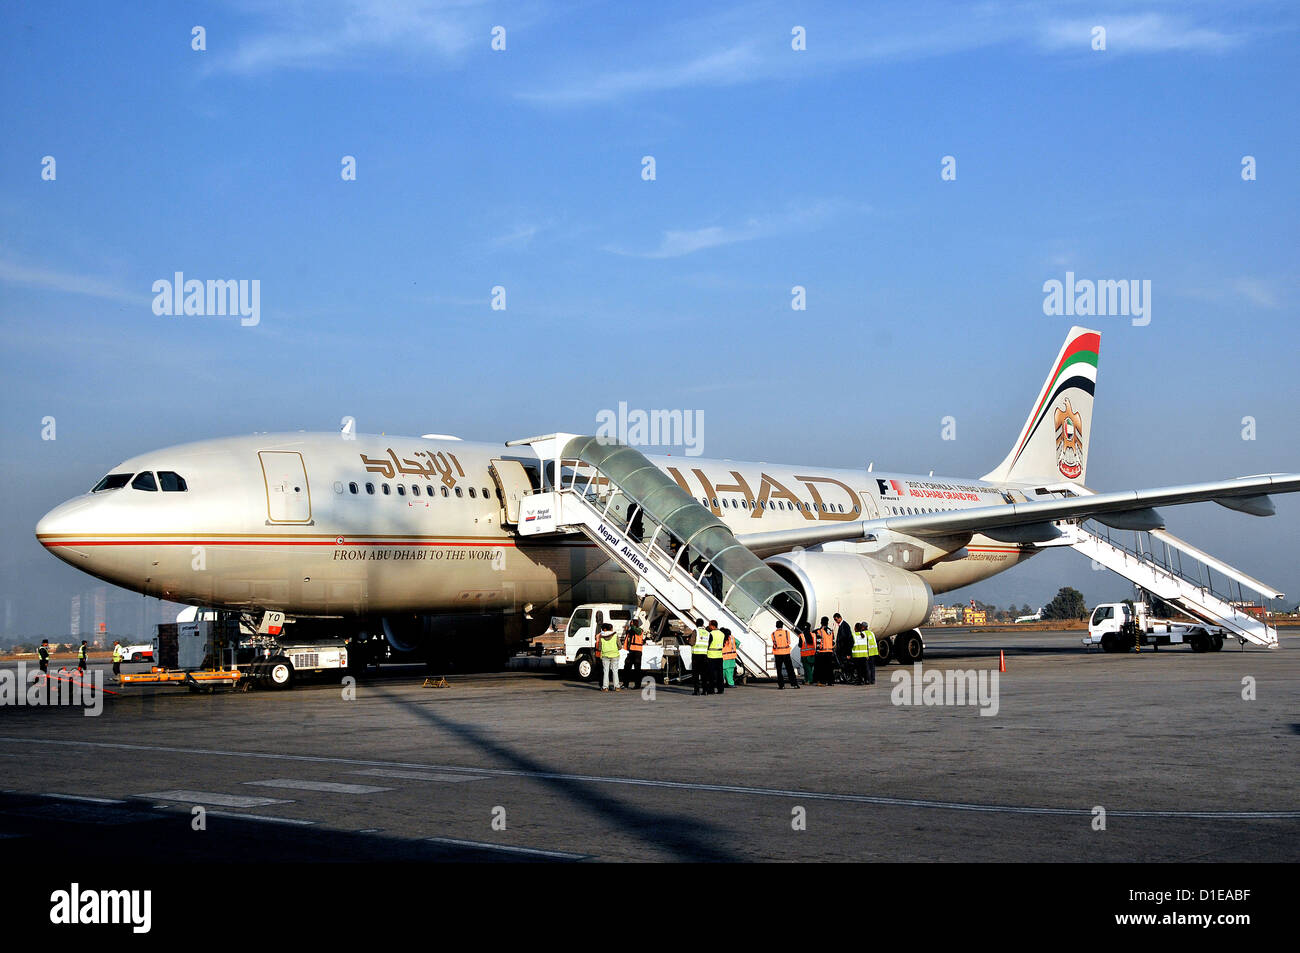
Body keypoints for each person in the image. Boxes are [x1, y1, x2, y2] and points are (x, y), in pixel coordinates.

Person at [771, 623, 800, 689]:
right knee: (790, 669)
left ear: (776, 626)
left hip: (778, 653)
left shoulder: (773, 634)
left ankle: (781, 686)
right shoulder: (787, 632)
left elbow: (774, 643)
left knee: (779, 670)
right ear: (782, 626)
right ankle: (794, 684)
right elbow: (788, 642)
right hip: (786, 653)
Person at [597, 623, 622, 692]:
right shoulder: (615, 635)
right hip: (615, 655)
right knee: (615, 671)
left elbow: (599, 648)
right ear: (611, 629)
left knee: (605, 671)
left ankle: (605, 687)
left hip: (605, 655)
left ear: (604, 629)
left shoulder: (601, 637)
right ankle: (617, 687)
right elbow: (620, 646)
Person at [622, 617, 645, 687]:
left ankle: (637, 685)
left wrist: (632, 626)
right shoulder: (631, 631)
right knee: (627, 667)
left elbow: (637, 631)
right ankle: (625, 684)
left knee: (637, 669)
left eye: (631, 623)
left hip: (637, 651)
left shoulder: (639, 630)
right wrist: (626, 631)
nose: (630, 624)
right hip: (631, 651)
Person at [814, 617, 836, 686]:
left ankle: (822, 681)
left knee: (821, 668)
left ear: (821, 622)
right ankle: (830, 681)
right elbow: (833, 642)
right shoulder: (831, 631)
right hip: (829, 651)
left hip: (822, 652)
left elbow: (818, 642)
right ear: (827, 622)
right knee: (829, 667)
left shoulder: (819, 631)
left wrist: (817, 651)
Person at [691, 618, 710, 695]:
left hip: (696, 655)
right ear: (703, 624)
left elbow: (692, 642)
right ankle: (705, 691)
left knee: (695, 674)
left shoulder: (696, 631)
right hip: (705, 655)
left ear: (696, 623)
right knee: (704, 674)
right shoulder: (707, 633)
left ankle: (696, 691)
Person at [707, 622, 725, 694]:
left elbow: (708, 644)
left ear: (712, 626)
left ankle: (711, 690)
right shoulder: (722, 634)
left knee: (711, 674)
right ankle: (721, 689)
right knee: (720, 674)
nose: (709, 626)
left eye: (709, 625)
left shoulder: (711, 634)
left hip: (711, 656)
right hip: (720, 656)